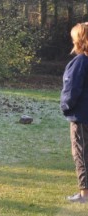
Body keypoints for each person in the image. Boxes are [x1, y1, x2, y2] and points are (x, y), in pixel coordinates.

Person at [60, 22, 88, 203]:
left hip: (81, 116)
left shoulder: (80, 62)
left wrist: (66, 107)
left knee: (81, 153)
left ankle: (85, 194)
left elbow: (71, 90)